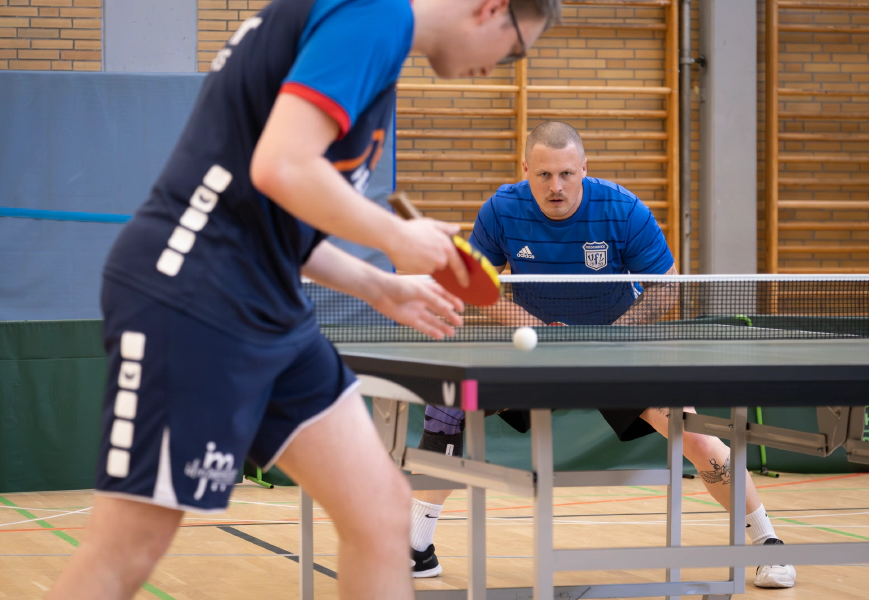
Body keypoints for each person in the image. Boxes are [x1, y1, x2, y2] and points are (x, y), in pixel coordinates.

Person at [46, 1, 559, 599]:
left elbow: (283, 219)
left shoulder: (375, 43)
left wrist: (383, 286)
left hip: (269, 303)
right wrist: (396, 237)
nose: (499, 69)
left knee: (381, 511)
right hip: (192, 291)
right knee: (127, 548)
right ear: (492, 8)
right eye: (516, 49)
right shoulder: (376, 16)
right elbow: (281, 167)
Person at [409, 122, 796, 589]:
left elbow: (665, 286)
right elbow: (479, 288)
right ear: (526, 169)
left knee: (692, 432)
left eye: (567, 174)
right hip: (534, 352)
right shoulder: (500, 210)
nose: (556, 187)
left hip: (618, 349)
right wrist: (525, 323)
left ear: (584, 169)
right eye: (545, 175)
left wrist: (614, 334)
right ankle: (417, 550)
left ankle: (768, 543)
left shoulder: (622, 208)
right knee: (448, 409)